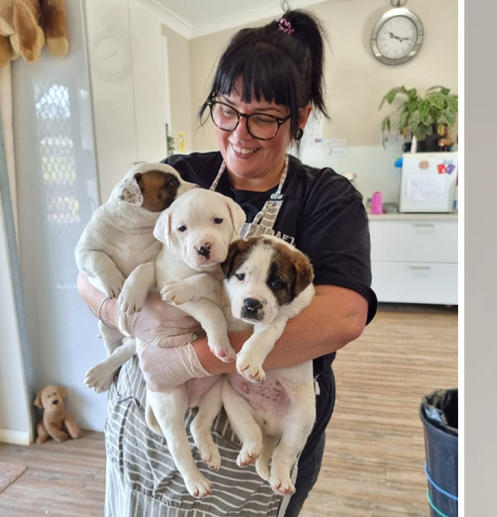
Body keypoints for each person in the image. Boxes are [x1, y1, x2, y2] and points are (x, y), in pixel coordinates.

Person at [76, 9, 377, 516]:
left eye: (263, 117)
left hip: (271, 412)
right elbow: (91, 264)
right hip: (154, 403)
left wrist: (193, 359)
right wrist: (132, 320)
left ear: (300, 117)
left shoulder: (327, 199)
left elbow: (342, 318)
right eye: (227, 110)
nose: (240, 132)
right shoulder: (176, 178)